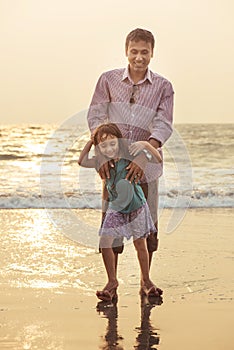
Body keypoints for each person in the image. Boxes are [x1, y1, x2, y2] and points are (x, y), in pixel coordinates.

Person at [87, 28, 174, 296]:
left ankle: (145, 281)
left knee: (147, 228)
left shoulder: (163, 86)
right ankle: (112, 283)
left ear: (152, 53)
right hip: (114, 168)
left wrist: (143, 155)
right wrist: (101, 154)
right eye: (134, 51)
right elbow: (96, 117)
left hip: (147, 169)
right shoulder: (108, 80)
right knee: (110, 225)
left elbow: (163, 124)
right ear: (126, 51)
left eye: (144, 52)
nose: (139, 57)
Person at [78, 123, 162, 301]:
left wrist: (147, 145)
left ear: (119, 142)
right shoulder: (101, 163)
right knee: (105, 242)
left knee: (141, 244)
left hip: (137, 206)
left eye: (112, 143)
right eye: (103, 145)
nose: (109, 148)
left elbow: (157, 159)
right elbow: (81, 161)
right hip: (116, 209)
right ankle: (112, 281)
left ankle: (146, 281)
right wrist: (90, 142)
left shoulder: (130, 155)